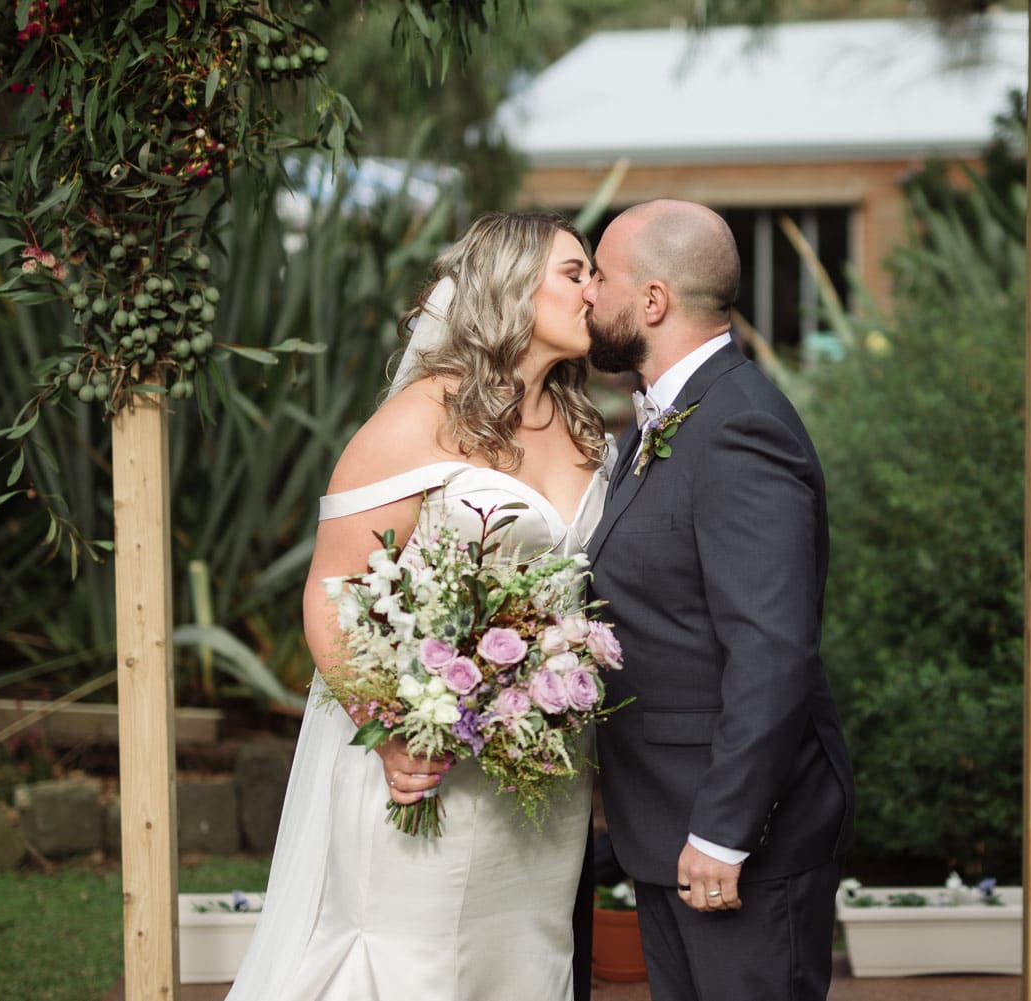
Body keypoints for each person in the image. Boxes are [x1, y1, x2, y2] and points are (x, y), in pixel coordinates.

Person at [224, 212, 612, 1001]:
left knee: (524, 965)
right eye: (576, 272)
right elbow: (331, 592)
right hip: (423, 766)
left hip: (537, 779)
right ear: (510, 286)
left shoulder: (581, 424)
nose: (593, 289)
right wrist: (396, 730)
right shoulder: (419, 420)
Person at [583, 199, 855, 1001]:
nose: (589, 294)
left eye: (600, 274)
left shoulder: (741, 429)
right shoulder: (660, 425)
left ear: (655, 300)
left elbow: (771, 647)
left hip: (733, 837)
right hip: (664, 824)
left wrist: (722, 831)